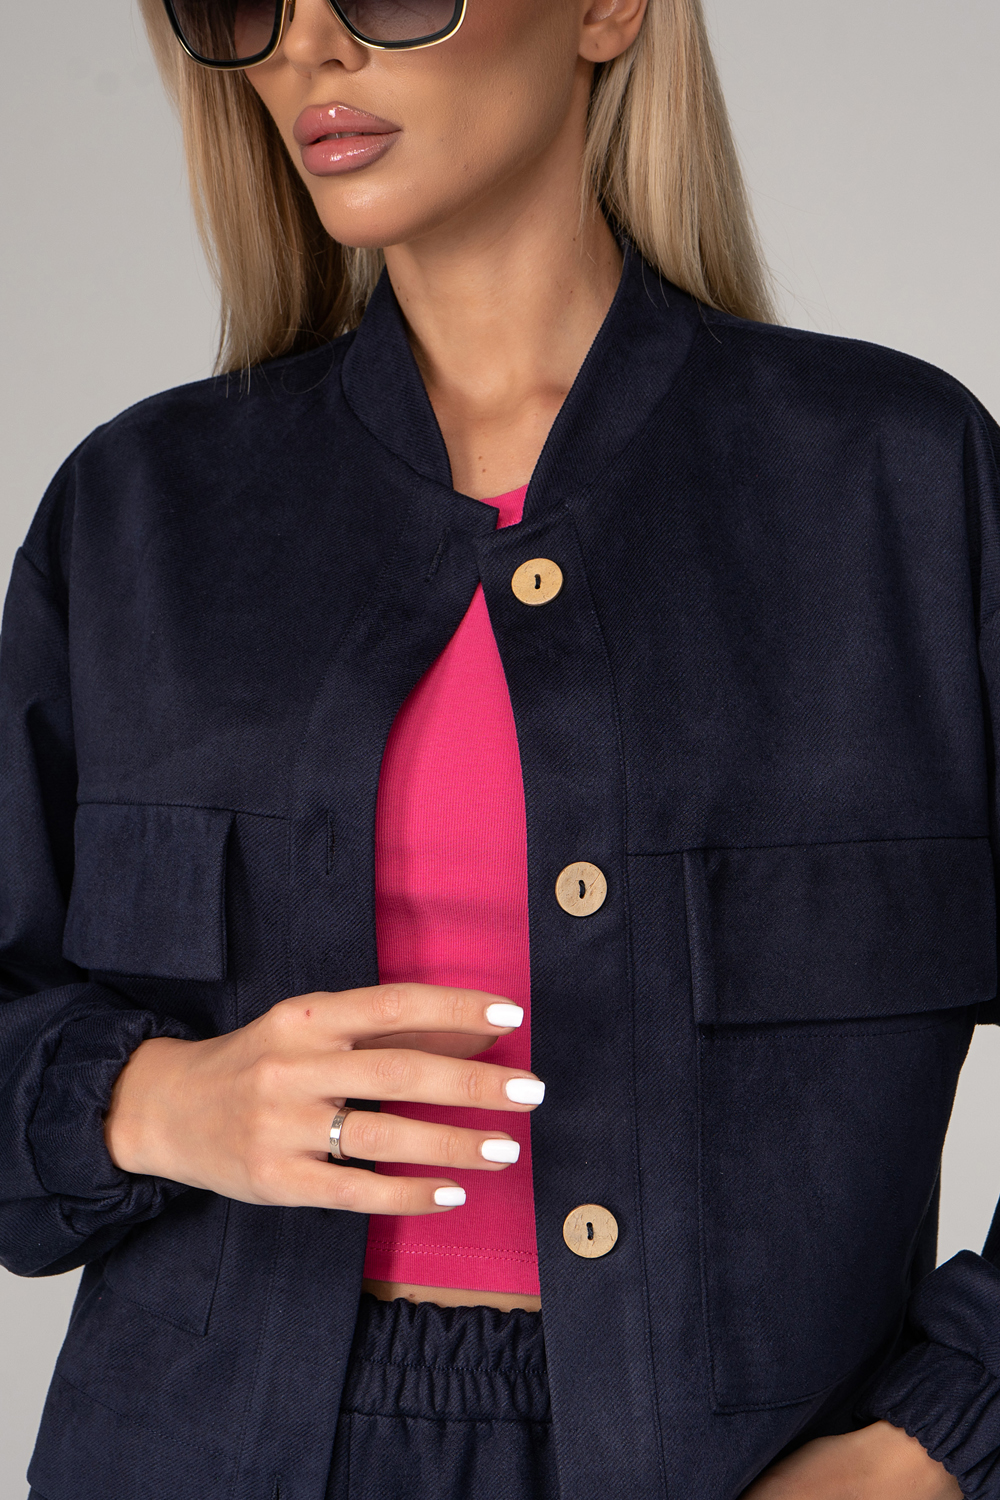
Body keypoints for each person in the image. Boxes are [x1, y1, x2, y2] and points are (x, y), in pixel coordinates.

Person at [1, 0, 997, 1495]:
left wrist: (928, 1450)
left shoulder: (897, 486)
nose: (306, 48)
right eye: (247, 4)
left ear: (605, 10)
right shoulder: (139, 512)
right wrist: (152, 1100)